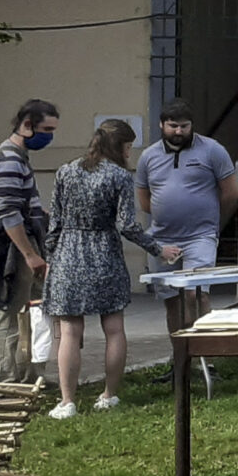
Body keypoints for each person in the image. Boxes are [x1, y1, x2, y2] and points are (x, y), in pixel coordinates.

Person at [42, 119, 176, 419]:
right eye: (128, 147)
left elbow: (55, 224)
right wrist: (158, 249)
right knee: (114, 329)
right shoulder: (119, 177)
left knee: (69, 332)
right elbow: (127, 226)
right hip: (105, 255)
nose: (130, 153)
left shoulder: (66, 171)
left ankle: (67, 402)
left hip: (68, 255)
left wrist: (50, 259)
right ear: (120, 147)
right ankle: (108, 395)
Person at [134, 99, 238, 349]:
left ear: (192, 125)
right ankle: (180, 357)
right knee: (171, 299)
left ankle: (204, 354)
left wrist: (211, 219)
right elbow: (144, 199)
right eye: (173, 126)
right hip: (160, 238)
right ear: (162, 125)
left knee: (196, 293)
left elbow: (231, 193)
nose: (179, 132)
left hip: (200, 236)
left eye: (184, 126)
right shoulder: (148, 157)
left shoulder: (212, 150)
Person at [0, 99, 59, 385]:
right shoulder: (10, 160)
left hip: (24, 242)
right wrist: (29, 255)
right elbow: (10, 213)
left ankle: (27, 375)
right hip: (14, 248)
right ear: (26, 125)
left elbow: (20, 206)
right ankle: (3, 380)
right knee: (10, 313)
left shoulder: (16, 157)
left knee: (29, 311)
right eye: (45, 129)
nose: (49, 136)